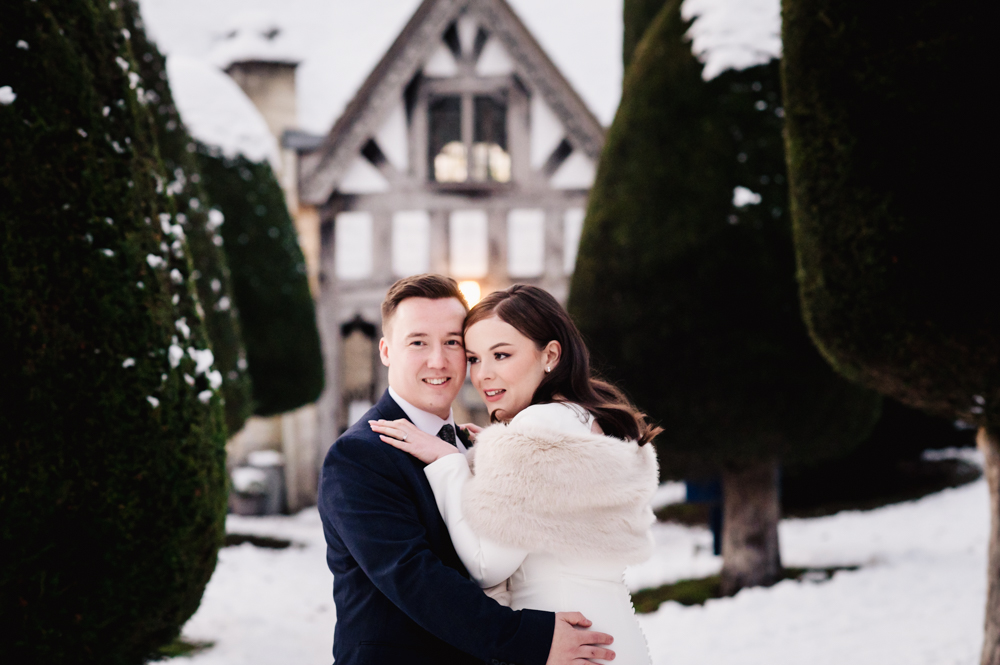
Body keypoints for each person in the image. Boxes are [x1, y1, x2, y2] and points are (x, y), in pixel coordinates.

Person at [318, 275, 617, 665]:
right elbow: (414, 578)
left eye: (452, 343)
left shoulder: (477, 443)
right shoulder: (359, 455)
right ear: (386, 351)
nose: (438, 361)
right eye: (418, 342)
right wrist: (532, 639)